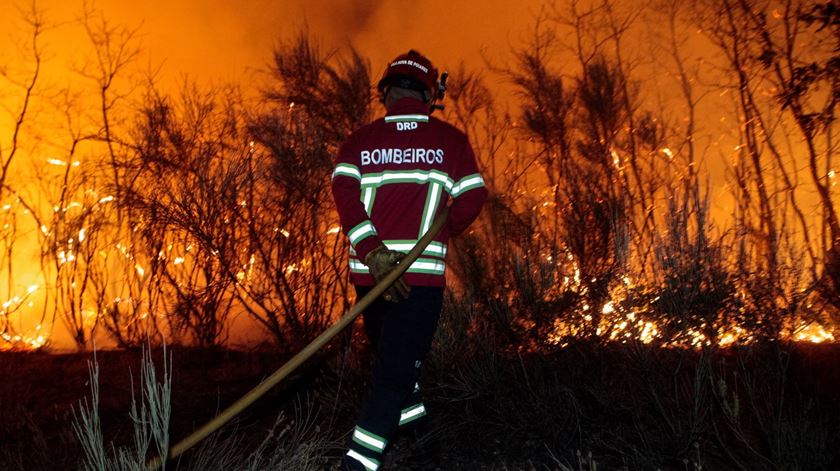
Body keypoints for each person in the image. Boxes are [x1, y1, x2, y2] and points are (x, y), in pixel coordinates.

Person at [331, 49, 487, 470]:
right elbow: (473, 195)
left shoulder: (359, 141)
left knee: (395, 361)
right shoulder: (450, 141)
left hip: (370, 279)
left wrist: (374, 253)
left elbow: (345, 198)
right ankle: (358, 465)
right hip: (419, 283)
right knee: (393, 376)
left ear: (387, 92)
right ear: (429, 93)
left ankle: (423, 437)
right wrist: (445, 226)